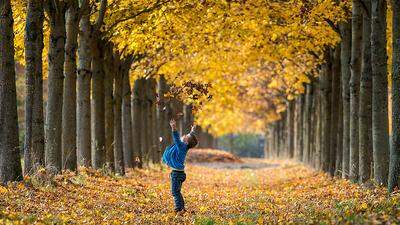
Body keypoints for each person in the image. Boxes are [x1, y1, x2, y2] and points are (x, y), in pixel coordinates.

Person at [162, 119, 198, 214]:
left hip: (177, 174)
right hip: (179, 173)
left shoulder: (181, 146)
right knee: (177, 191)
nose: (185, 135)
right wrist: (192, 131)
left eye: (186, 136)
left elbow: (177, 138)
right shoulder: (184, 146)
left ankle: (179, 209)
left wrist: (174, 128)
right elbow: (190, 138)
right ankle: (181, 208)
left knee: (175, 192)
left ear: (185, 142)